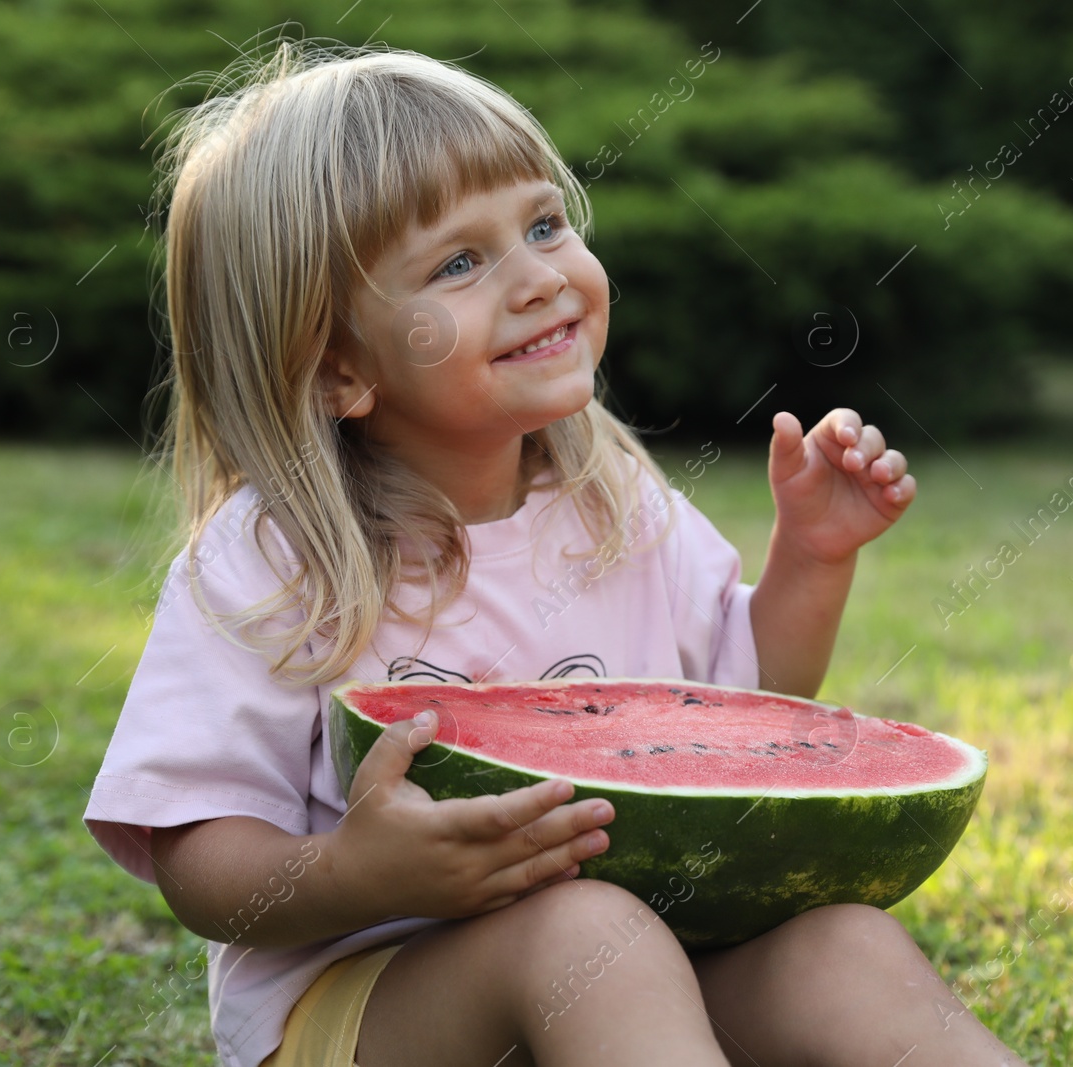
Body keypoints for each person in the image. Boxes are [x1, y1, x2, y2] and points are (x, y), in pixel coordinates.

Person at [83, 39, 1023, 1067]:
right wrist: (357, 873)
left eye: (543, 224)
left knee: (846, 941)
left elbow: (746, 709)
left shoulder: (614, 502)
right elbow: (195, 852)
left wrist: (812, 555)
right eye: (458, 262)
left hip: (636, 980)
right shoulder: (273, 556)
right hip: (361, 1010)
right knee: (587, 932)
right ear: (336, 367)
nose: (538, 278)